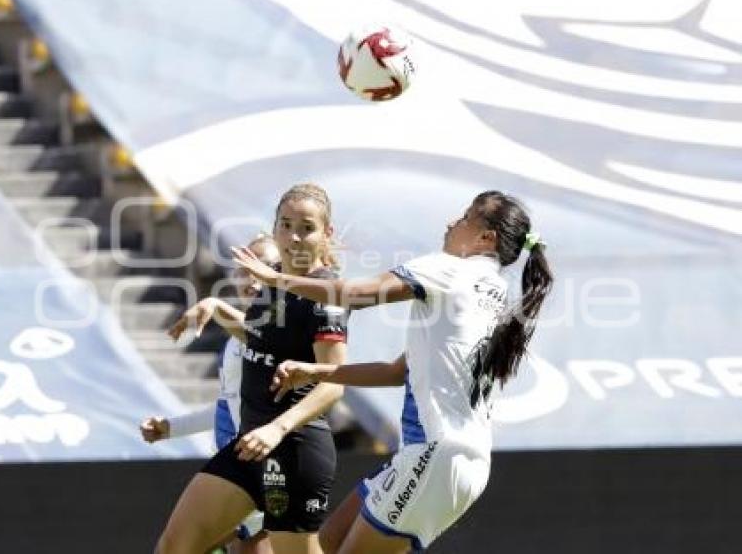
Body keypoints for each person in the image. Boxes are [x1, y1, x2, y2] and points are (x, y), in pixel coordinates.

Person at [232, 190, 553, 553]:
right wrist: (317, 371)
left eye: (464, 218)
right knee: (326, 542)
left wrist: (275, 280)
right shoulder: (495, 293)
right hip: (456, 461)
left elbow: (352, 293)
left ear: (485, 239)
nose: (451, 223)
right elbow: (397, 371)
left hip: (435, 454)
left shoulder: (450, 268)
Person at [155, 183, 350, 554]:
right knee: (174, 547)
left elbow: (334, 383)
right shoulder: (274, 280)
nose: (294, 237)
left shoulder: (327, 295)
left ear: (327, 234)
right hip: (249, 446)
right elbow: (260, 340)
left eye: (306, 228)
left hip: (293, 448)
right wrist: (215, 306)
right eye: (286, 224)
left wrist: (277, 429)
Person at [141, 233, 280, 554]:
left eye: (265, 267)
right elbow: (227, 404)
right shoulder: (235, 340)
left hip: (266, 467)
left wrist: (215, 307)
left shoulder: (281, 327)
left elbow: (264, 340)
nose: (252, 278)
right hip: (241, 467)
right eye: (244, 269)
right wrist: (171, 428)